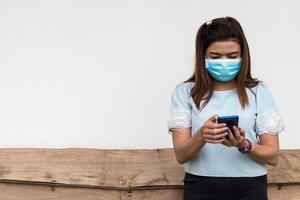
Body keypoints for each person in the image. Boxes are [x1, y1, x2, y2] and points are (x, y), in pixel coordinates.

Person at [166, 16, 285, 200]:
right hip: (200, 187)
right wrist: (202, 135)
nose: (224, 62)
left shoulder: (258, 91)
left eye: (232, 56)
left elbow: (273, 156)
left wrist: (243, 145)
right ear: (203, 55)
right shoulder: (184, 92)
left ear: (243, 55)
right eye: (215, 56)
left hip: (250, 188)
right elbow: (181, 155)